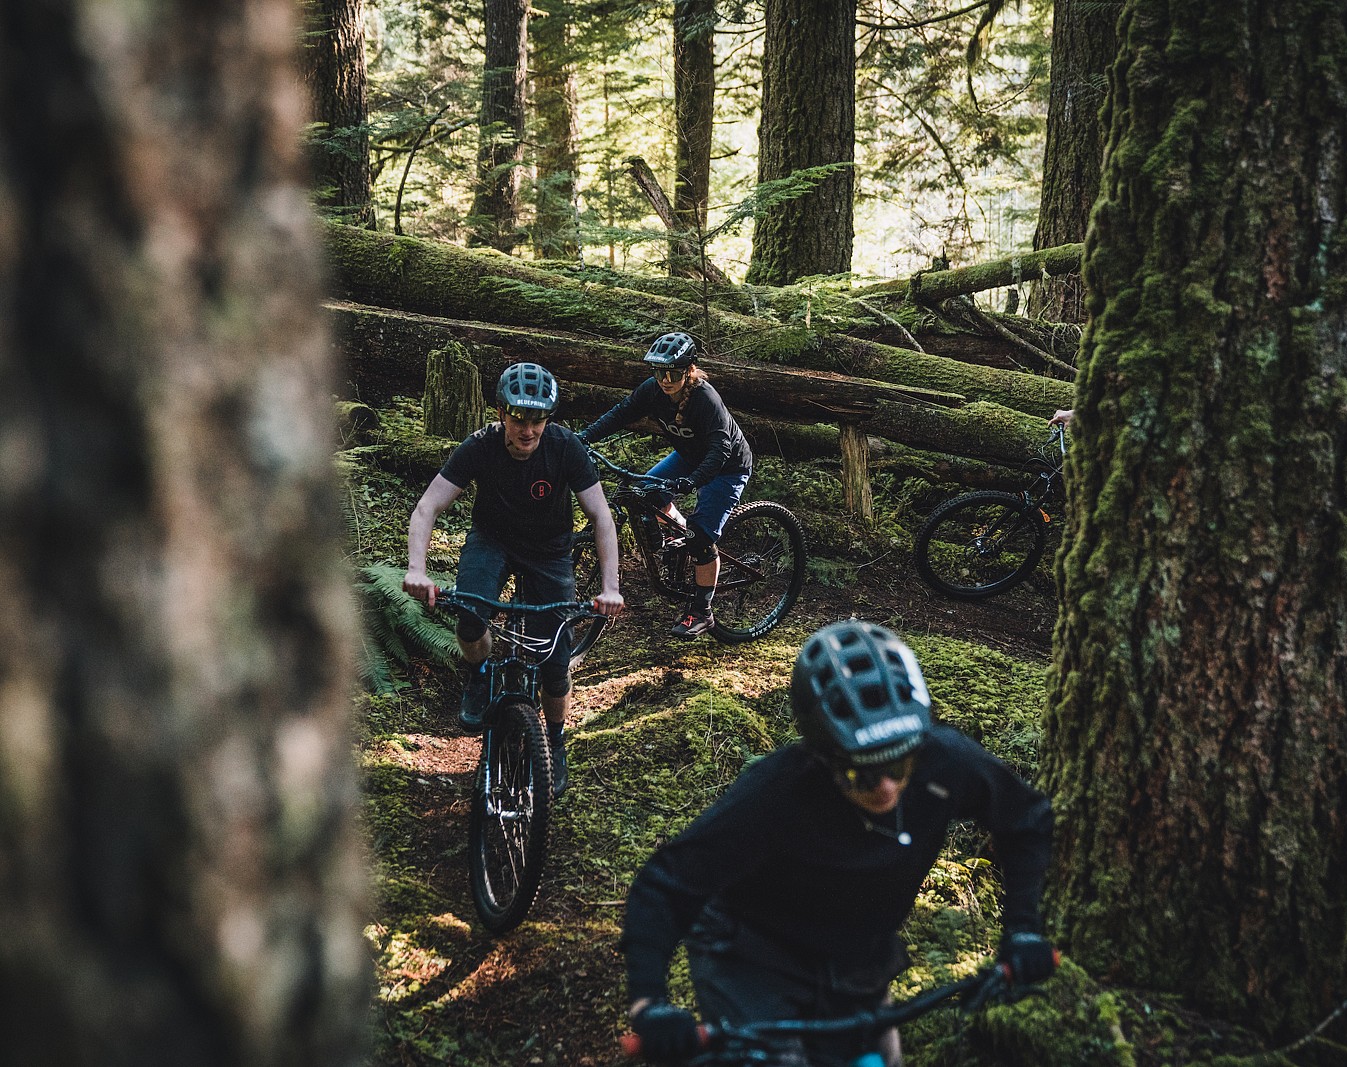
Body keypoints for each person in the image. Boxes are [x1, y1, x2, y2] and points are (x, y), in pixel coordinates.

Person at [620, 620, 1056, 1066]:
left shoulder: (944, 760)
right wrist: (649, 1004)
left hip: (859, 962)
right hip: (752, 960)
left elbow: (1025, 820)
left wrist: (1023, 929)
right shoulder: (777, 792)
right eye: (861, 774)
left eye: (900, 765)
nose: (886, 788)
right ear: (823, 755)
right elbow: (667, 883)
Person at [403, 362, 624, 796]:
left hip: (550, 550)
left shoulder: (565, 448)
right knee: (469, 615)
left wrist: (611, 587)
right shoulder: (480, 446)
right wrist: (416, 569)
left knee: (555, 663)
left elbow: (601, 516)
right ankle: (479, 673)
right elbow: (427, 507)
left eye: (538, 420)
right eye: (520, 419)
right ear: (502, 413)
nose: (528, 430)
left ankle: (555, 743)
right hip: (493, 541)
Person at [578, 332, 753, 638]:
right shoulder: (653, 390)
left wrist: (693, 481)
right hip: (688, 455)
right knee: (648, 493)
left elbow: (720, 450)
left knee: (700, 538)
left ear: (690, 370)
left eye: (672, 372)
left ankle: (702, 611)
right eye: (659, 372)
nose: (665, 379)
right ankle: (679, 537)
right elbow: (621, 413)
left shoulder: (705, 399)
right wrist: (584, 437)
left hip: (726, 467)